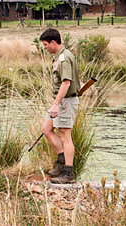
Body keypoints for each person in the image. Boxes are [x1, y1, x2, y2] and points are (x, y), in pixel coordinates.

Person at [40, 28, 80, 184]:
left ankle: (68, 173)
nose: (44, 48)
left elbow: (66, 82)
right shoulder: (59, 57)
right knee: (46, 129)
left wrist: (56, 104)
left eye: (45, 45)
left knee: (65, 135)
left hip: (66, 102)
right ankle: (61, 163)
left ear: (53, 42)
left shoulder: (64, 58)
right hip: (60, 101)